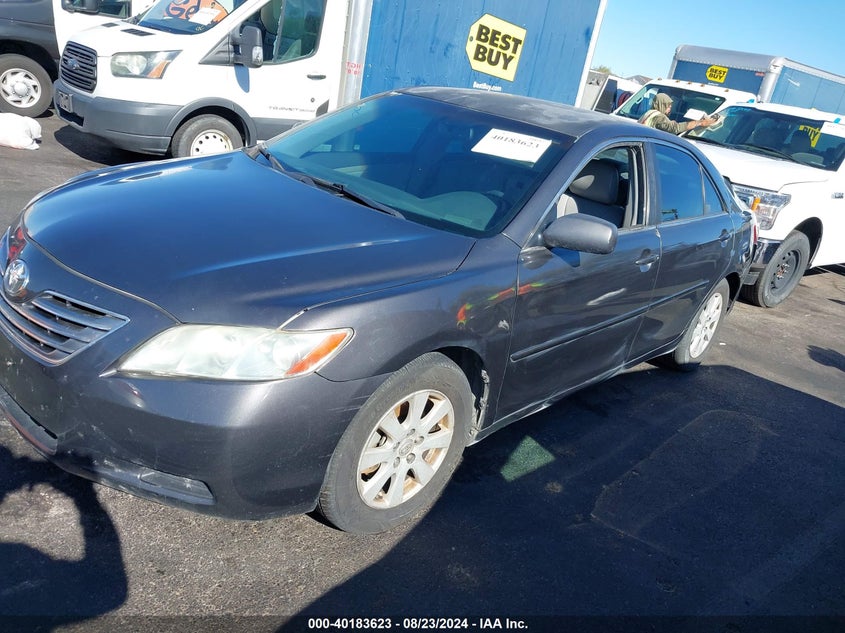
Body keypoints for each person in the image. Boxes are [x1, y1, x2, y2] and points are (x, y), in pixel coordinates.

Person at [638, 92, 716, 134]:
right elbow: (675, 128)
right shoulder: (660, 117)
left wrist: (668, 122)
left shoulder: (650, 113)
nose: (670, 108)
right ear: (662, 104)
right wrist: (699, 123)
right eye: (668, 106)